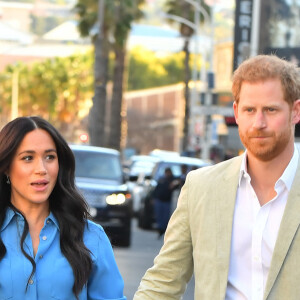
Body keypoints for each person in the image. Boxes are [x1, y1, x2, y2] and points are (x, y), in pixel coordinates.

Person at [133, 54, 300, 300]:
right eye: (249, 110)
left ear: (295, 111)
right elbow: (163, 281)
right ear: (236, 111)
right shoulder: (202, 187)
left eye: (271, 110)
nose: (258, 122)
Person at [0, 116, 126, 300]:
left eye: (50, 157)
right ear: (6, 167)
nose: (41, 168)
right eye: (28, 158)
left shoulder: (91, 237)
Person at [152, 167, 175, 238]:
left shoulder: (173, 180)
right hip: (159, 200)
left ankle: (163, 230)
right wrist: (154, 198)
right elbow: (156, 189)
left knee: (165, 217)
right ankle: (160, 229)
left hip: (167, 201)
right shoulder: (162, 179)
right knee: (159, 216)